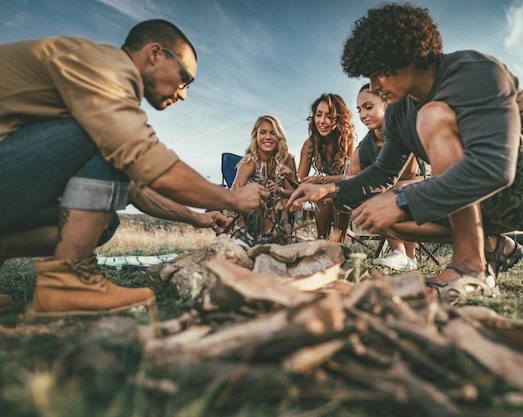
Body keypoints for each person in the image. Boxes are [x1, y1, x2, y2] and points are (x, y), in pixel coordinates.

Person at [288, 4, 523, 303]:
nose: (374, 86)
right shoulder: (397, 113)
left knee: (431, 118)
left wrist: (404, 200)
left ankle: (470, 267)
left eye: (380, 72)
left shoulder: (475, 72)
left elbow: (494, 167)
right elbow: (383, 174)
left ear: (411, 54)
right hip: (481, 198)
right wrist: (328, 189)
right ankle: (492, 246)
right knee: (380, 211)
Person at [0, 19, 267, 315]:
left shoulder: (95, 93)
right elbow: (143, 158)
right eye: (184, 78)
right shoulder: (105, 66)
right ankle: (68, 281)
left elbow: (137, 188)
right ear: (155, 53)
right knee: (108, 140)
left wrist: (195, 217)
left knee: (103, 222)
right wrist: (233, 198)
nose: (183, 94)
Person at [354, 83, 421, 271]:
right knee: (366, 194)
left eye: (368, 107)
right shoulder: (365, 145)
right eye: (359, 110)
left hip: (420, 185)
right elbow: (350, 175)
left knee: (384, 192)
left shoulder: (405, 131)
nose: (363, 115)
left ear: (387, 104)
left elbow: (409, 176)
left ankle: (404, 254)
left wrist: (375, 185)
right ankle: (403, 256)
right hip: (392, 188)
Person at [297, 93, 356, 242]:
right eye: (318, 115)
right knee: (323, 199)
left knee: (337, 198)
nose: (322, 121)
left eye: (329, 116)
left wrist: (319, 179)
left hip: (347, 189)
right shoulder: (310, 143)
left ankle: (337, 244)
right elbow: (300, 178)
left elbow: (350, 176)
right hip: (325, 193)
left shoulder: (348, 139)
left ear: (339, 119)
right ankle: (322, 242)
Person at [230, 114, 299, 242]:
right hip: (250, 211)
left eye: (273, 133)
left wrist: (279, 189)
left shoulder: (286, 158)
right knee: (244, 200)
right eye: (263, 132)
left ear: (278, 137)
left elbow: (294, 194)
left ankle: (271, 235)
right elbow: (233, 193)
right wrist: (252, 190)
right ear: (256, 136)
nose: (268, 137)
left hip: (278, 212)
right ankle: (243, 236)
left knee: (282, 203)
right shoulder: (249, 162)